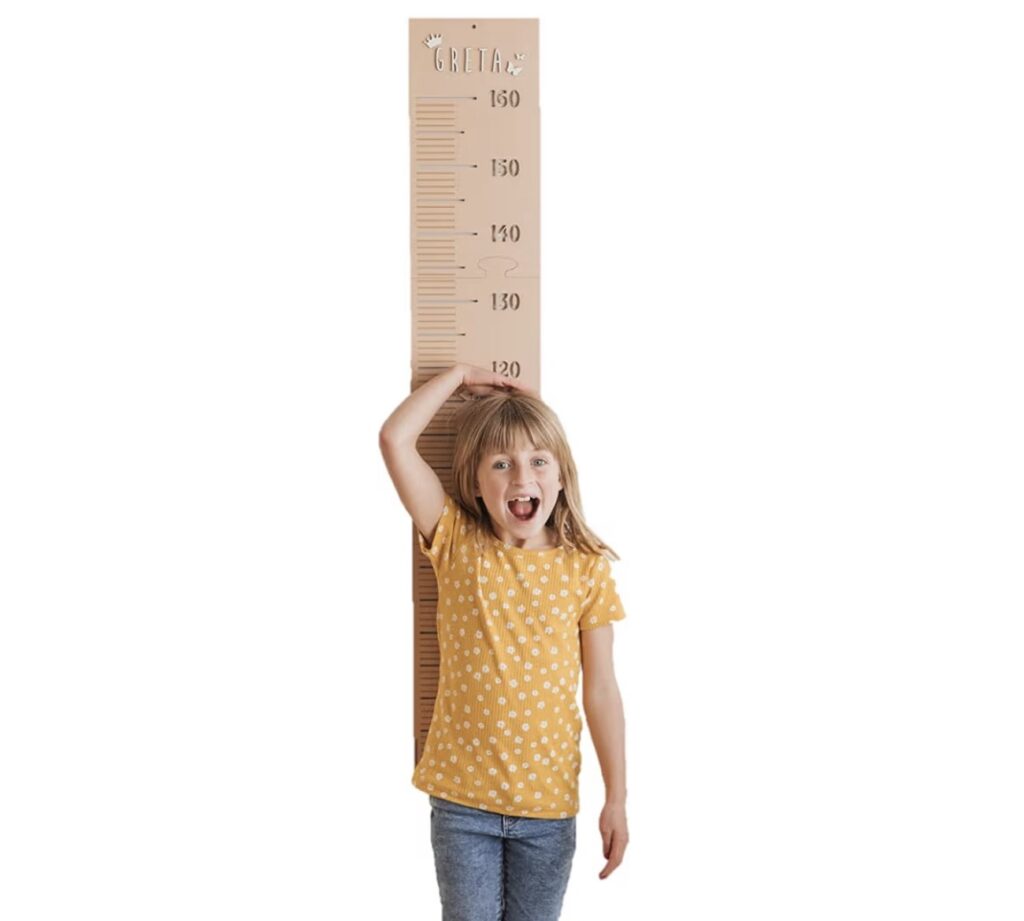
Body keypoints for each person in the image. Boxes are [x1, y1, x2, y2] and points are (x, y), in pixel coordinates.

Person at [379, 362, 629, 921]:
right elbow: (395, 439)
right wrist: (460, 376)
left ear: (561, 476)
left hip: (548, 810)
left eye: (539, 461)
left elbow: (602, 690)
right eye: (501, 463)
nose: (522, 476)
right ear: (474, 483)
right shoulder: (455, 542)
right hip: (462, 805)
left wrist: (616, 797)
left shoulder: (586, 569)